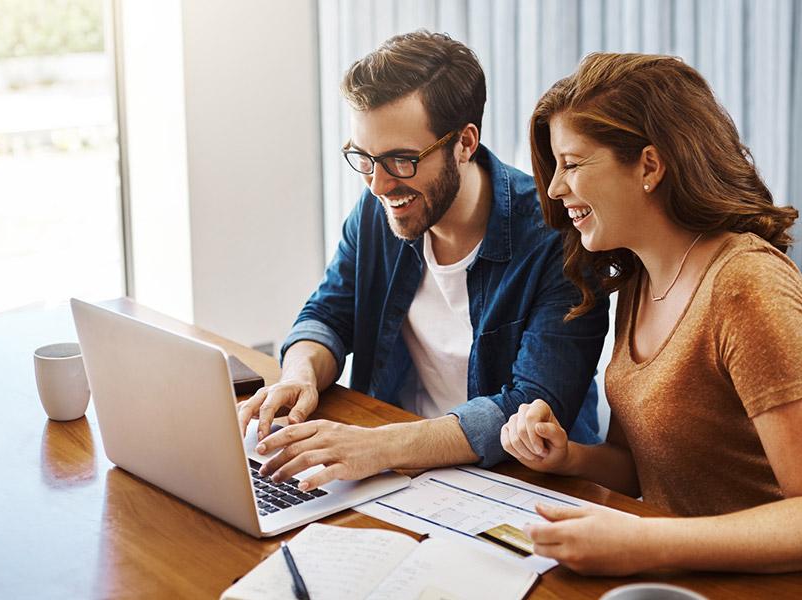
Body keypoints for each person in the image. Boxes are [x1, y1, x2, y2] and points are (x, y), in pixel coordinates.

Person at [501, 52, 802, 591]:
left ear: (650, 167)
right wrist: (568, 456)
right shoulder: (640, 279)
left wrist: (642, 543)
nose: (554, 189)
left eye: (572, 163)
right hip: (698, 576)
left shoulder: (746, 286)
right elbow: (642, 467)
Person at [239, 30, 610, 492]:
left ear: (465, 143)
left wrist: (379, 446)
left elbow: (532, 404)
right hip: (396, 472)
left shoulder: (555, 237)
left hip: (519, 486)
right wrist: (300, 375)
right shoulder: (383, 210)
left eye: (400, 160)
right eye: (364, 159)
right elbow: (328, 315)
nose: (377, 185)